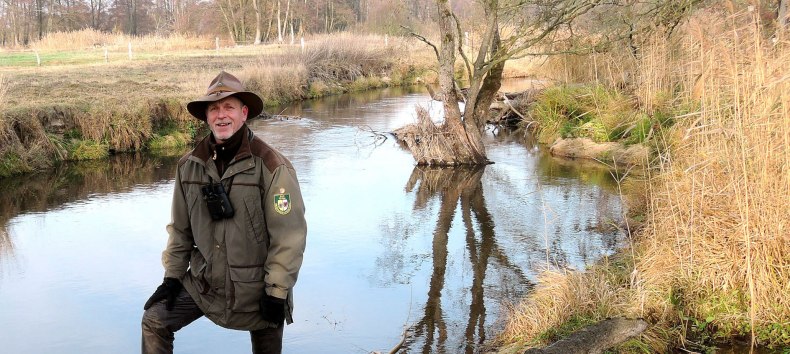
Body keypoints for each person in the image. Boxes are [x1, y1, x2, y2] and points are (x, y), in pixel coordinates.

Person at [141, 71, 307, 354]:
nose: (221, 115)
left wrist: (277, 292)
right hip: (205, 284)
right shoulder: (188, 166)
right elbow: (180, 231)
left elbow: (289, 238)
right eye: (214, 109)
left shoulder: (273, 167)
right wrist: (171, 278)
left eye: (229, 107)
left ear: (244, 113)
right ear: (206, 117)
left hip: (258, 289)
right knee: (154, 320)